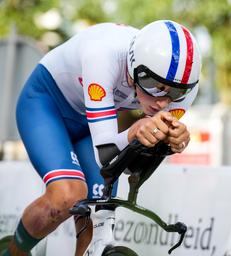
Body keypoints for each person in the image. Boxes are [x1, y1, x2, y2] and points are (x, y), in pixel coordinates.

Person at [1, 19, 201, 256]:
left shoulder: (184, 86)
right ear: (135, 66)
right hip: (46, 106)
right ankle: (12, 252)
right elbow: (105, 153)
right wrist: (136, 130)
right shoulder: (103, 54)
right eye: (154, 86)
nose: (163, 102)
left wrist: (172, 143)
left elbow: (131, 168)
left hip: (92, 125)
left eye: (175, 92)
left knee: (99, 214)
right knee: (68, 195)